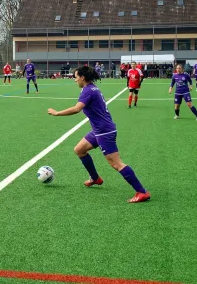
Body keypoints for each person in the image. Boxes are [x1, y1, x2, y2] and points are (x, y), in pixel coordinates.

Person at [47, 66, 150, 203]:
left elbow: (77, 109)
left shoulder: (88, 91)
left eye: (76, 77)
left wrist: (57, 113)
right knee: (80, 150)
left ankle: (141, 192)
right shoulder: (92, 88)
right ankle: (95, 178)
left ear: (83, 77)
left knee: (116, 164)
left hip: (104, 132)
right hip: (99, 130)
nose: (75, 80)